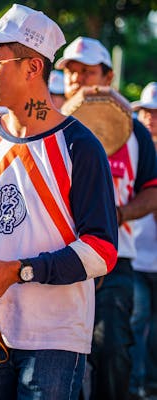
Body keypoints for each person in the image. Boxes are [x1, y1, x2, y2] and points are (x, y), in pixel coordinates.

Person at [0, 4, 119, 399]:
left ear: (33, 67)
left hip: (53, 334)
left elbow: (102, 251)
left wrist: (22, 271)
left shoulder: (80, 145)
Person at [56, 36, 157, 400]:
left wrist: (118, 214)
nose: (78, 79)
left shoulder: (136, 132)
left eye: (88, 71)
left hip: (116, 258)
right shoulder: (47, 127)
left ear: (109, 76)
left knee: (113, 350)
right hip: (57, 257)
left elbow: (152, 190)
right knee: (60, 357)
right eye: (71, 71)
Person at [128, 82, 157, 399]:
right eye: (146, 112)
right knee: (136, 321)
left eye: (155, 113)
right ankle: (134, 383)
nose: (150, 118)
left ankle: (150, 381)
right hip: (135, 254)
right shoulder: (132, 146)